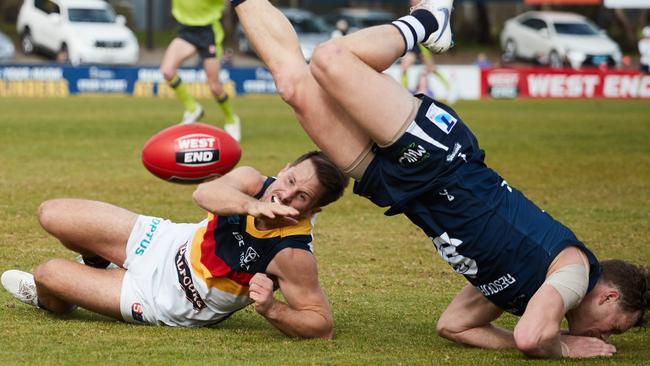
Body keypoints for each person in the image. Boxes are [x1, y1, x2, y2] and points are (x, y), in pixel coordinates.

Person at [232, 0, 649, 358]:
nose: (601, 336)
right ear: (608, 296)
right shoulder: (575, 274)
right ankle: (431, 19)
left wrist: (544, 334)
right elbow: (531, 338)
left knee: (293, 86)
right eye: (613, 327)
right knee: (330, 60)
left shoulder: (523, 290)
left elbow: (455, 326)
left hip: (402, 190)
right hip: (440, 161)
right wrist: (562, 345)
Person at [1, 151, 348, 339]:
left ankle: (56, 302)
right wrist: (251, 205)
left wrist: (273, 309)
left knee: (47, 274)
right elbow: (204, 193)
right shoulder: (253, 182)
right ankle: (98, 267)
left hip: (165, 299)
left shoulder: (292, 254)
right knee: (51, 214)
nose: (284, 193)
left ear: (312, 209)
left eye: (301, 196)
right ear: (285, 168)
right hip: (165, 241)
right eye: (289, 179)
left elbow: (322, 325)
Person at [161, 0, 241, 141]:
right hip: (186, 30)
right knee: (167, 70)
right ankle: (193, 109)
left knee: (214, 87)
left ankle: (231, 119)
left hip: (208, 31)